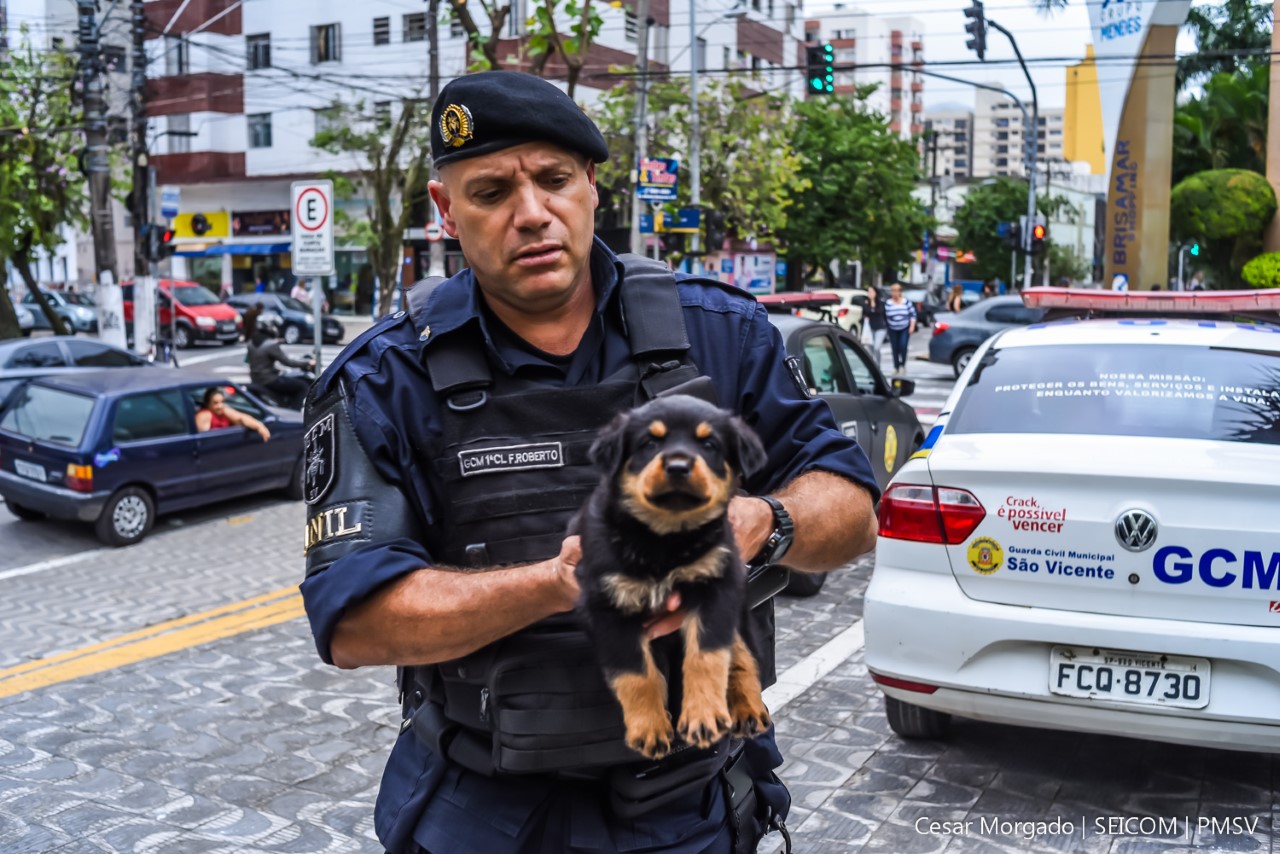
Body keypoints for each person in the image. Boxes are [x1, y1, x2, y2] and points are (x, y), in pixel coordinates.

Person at [300, 71, 879, 854]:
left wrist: (762, 523)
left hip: (693, 812)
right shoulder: (384, 377)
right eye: (491, 190)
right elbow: (355, 623)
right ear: (445, 211)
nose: (531, 214)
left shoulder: (721, 335)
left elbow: (851, 508)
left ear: (594, 187)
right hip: (485, 811)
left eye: (554, 180)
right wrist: (555, 584)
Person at [247, 318, 315, 408]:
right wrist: (308, 362)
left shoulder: (251, 343)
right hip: (269, 379)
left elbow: (250, 360)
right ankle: (294, 412)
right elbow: (288, 362)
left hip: (255, 378)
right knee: (302, 387)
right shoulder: (270, 344)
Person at [194, 387, 270, 442]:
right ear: (208, 404)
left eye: (222, 402)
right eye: (215, 403)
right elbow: (201, 439)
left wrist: (259, 426)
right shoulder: (204, 415)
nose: (220, 406)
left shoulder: (224, 410)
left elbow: (241, 418)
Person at [884, 282, 917, 377]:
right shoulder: (888, 303)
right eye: (892, 291)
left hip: (904, 328)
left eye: (896, 291)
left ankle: (903, 364)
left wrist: (912, 326)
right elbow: (885, 316)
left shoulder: (906, 302)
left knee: (903, 346)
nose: (894, 293)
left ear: (900, 292)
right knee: (894, 348)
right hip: (892, 328)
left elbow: (913, 315)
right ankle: (896, 367)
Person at [862, 284, 888, 365]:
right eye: (868, 292)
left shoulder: (881, 302)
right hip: (869, 328)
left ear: (876, 293)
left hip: (880, 328)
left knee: (877, 347)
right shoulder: (866, 303)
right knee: (870, 349)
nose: (870, 294)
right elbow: (864, 313)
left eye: (871, 292)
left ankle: (878, 366)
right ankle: (872, 367)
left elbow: (881, 312)